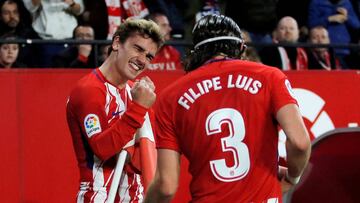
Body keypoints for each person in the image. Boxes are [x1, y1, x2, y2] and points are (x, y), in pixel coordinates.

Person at [145, 14, 311, 203]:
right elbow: (300, 143)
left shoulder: (170, 97)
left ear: (196, 51)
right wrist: (292, 177)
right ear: (241, 48)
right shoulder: (270, 77)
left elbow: (166, 186)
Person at [66, 18, 163, 202]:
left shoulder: (137, 93)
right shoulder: (88, 90)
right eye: (138, 49)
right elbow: (103, 150)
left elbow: (146, 157)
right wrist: (139, 108)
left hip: (135, 196)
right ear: (117, 43)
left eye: (149, 56)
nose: (142, 60)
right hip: (98, 196)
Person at [23, 0, 85, 67]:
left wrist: (71, 3)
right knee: (49, 74)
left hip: (71, 39)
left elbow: (79, 10)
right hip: (47, 41)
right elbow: (30, 7)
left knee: (72, 73)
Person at [308, 0, 360, 68]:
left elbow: (357, 25)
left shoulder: (346, 2)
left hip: (345, 49)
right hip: (327, 50)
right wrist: (329, 19)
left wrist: (347, 17)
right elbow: (311, 24)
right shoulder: (316, 3)